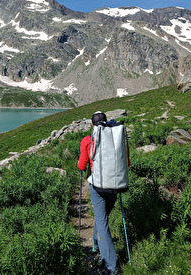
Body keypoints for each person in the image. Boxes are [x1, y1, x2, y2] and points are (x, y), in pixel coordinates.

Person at [77, 111, 118, 275]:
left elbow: (81, 165)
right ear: (107, 122)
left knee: (102, 222)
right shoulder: (116, 138)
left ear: (92, 125)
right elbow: (126, 162)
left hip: (97, 186)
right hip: (115, 185)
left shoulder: (87, 140)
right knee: (103, 217)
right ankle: (95, 242)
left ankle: (111, 265)